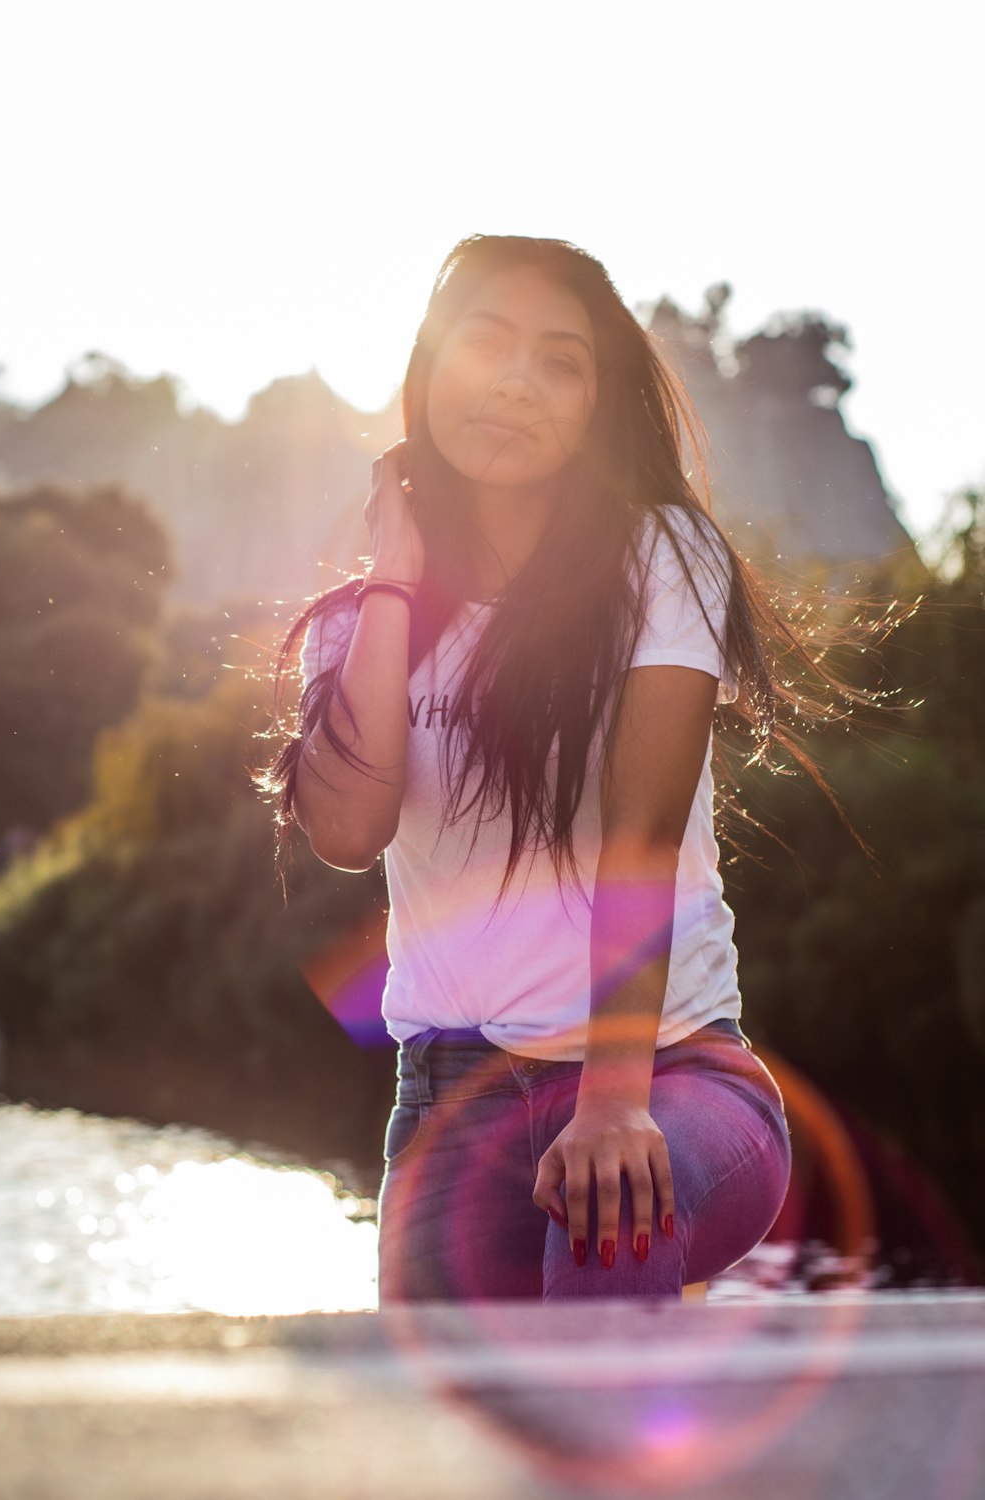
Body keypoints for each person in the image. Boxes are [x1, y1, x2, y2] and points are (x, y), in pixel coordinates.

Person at [258, 234, 873, 1303]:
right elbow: (349, 833)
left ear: (597, 403)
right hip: (451, 1096)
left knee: (604, 1242)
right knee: (452, 1446)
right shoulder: (362, 625)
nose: (515, 381)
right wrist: (398, 580)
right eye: (485, 343)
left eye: (560, 361)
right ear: (427, 370)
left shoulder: (663, 557)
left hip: (669, 1070)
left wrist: (612, 1101)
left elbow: (637, 840)